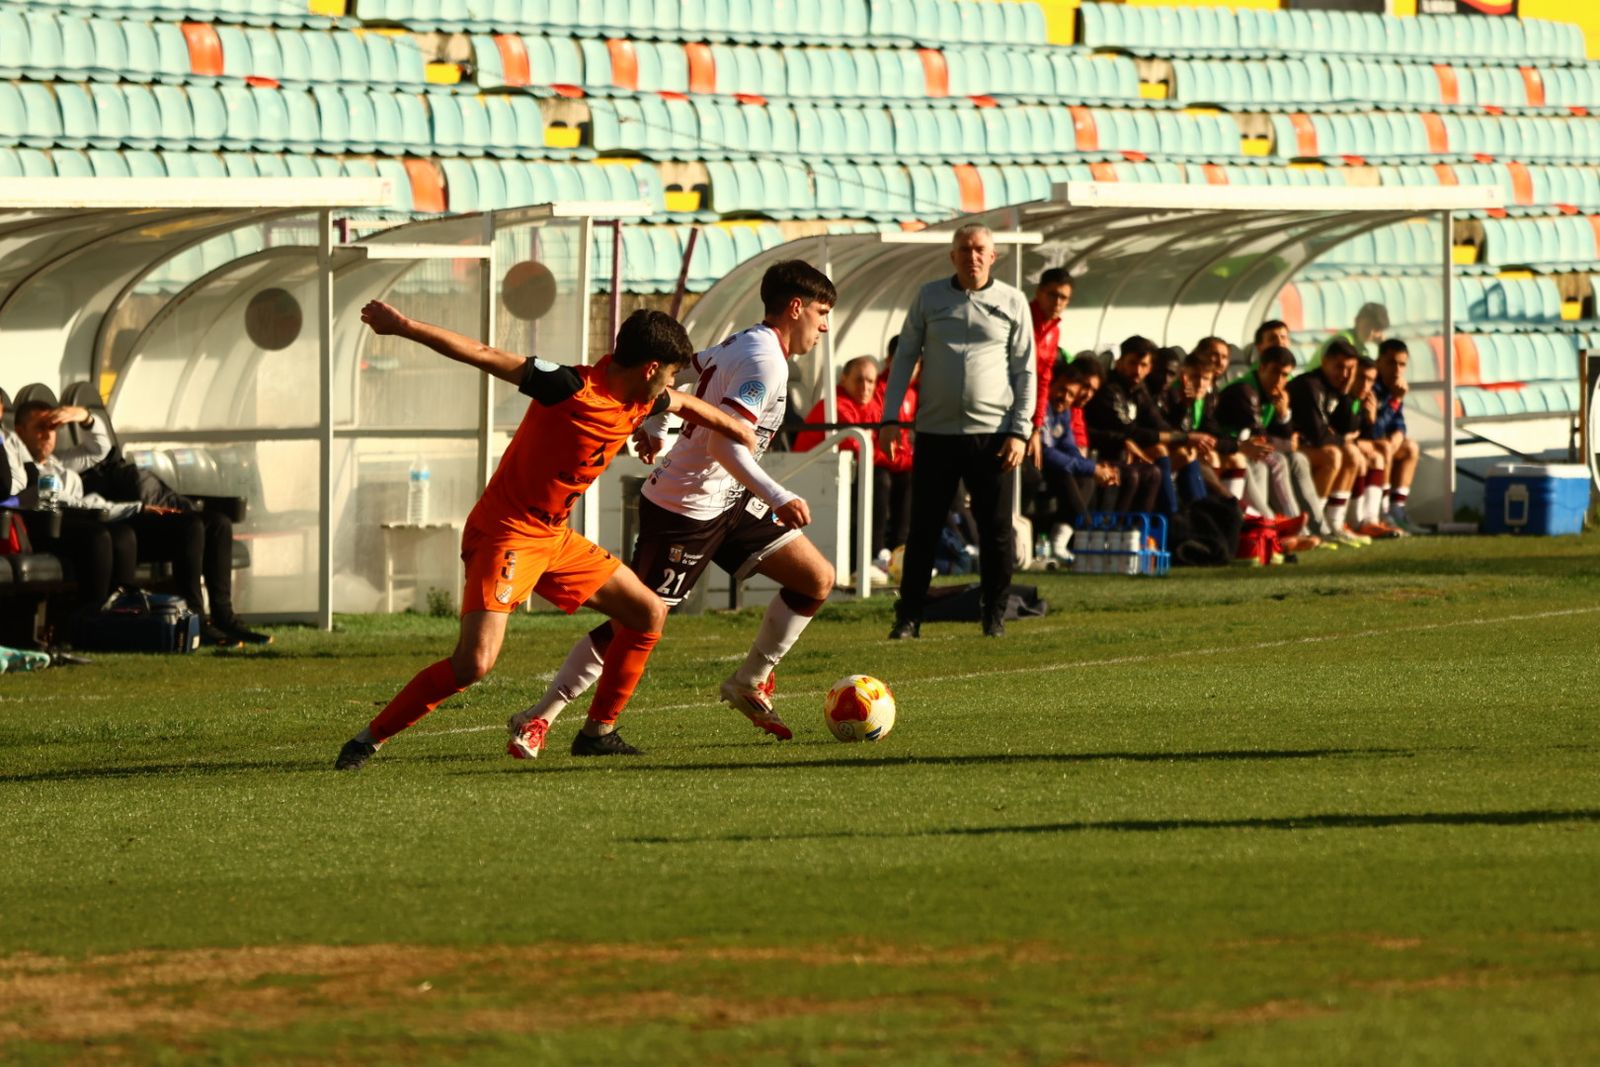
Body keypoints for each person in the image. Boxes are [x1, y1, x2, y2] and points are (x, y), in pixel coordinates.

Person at [334, 302, 756, 770]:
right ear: (650, 367)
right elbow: (481, 353)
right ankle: (366, 739)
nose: (672, 386)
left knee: (647, 612)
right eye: (671, 374)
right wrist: (404, 327)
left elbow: (682, 403)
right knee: (474, 663)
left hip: (553, 537)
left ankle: (598, 733)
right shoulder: (569, 386)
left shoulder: (643, 397)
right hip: (507, 532)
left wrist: (735, 426)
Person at [504, 260, 840, 754]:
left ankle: (750, 680)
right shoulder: (765, 362)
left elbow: (672, 379)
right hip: (686, 507)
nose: (825, 326)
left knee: (815, 579)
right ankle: (539, 717)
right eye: (822, 312)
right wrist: (780, 495)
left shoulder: (742, 342)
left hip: (727, 499)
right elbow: (724, 446)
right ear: (795, 307)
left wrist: (655, 427)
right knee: (633, 619)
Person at [878, 224, 1036, 640]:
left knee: (995, 531)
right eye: (965, 249)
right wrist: (890, 418)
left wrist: (1020, 430)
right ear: (953, 256)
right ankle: (908, 617)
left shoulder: (1013, 301)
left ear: (993, 255)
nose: (973, 256)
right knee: (924, 528)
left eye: (980, 249)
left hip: (994, 434)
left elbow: (1026, 370)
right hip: (935, 432)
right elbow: (904, 358)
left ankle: (995, 615)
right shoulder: (929, 296)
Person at [12, 400, 142, 614]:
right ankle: (92, 619)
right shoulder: (17, 467)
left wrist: (85, 416)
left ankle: (123, 615)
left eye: (52, 428)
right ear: (19, 431)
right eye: (40, 427)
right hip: (41, 528)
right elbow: (58, 499)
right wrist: (125, 508)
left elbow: (100, 450)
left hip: (74, 521)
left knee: (123, 535)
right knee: (98, 536)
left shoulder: (58, 462)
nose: (48, 434)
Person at [1084, 335, 1216, 515]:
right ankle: (1171, 516)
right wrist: (1184, 437)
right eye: (1132, 363)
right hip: (1108, 449)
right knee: (1161, 453)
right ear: (1120, 362)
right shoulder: (1110, 388)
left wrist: (1186, 433)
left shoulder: (1139, 389)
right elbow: (1129, 432)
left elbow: (1158, 424)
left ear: (1149, 368)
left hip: (1128, 448)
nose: (1137, 371)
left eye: (1143, 365)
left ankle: (1199, 514)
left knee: (1187, 451)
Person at [794, 355, 890, 582]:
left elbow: (890, 446)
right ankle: (870, 556)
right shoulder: (834, 407)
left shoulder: (871, 406)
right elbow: (859, 448)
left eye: (870, 382)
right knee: (881, 479)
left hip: (843, 473)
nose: (865, 387)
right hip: (813, 476)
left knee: (903, 478)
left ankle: (889, 550)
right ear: (844, 379)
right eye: (859, 380)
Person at [1288, 337, 1368, 547]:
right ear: (1324, 362)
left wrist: (1349, 394)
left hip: (1309, 447)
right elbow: (1317, 435)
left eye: (1351, 369)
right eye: (1339, 367)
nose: (1345, 374)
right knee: (1334, 454)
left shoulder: (1338, 388)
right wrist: (1341, 438)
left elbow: (1347, 428)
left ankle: (1335, 523)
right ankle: (1315, 524)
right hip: (1289, 448)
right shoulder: (1309, 386)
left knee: (1351, 453)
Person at [1036, 361, 1120, 555]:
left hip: (1052, 463)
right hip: (1035, 462)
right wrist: (1092, 468)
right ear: (1052, 384)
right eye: (1062, 390)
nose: (1065, 398)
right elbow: (1046, 451)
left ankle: (1061, 542)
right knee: (1066, 473)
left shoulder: (1064, 412)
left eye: (1071, 395)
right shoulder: (1042, 407)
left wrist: (1094, 469)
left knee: (1087, 479)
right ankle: (1088, 533)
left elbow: (1069, 447)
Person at [1026, 269, 1073, 470]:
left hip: (1028, 414)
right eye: (1052, 294)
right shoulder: (1023, 321)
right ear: (1039, 292)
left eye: (1063, 297)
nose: (1057, 302)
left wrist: (1036, 426)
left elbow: (1043, 380)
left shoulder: (1053, 331)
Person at [1373, 338, 1421, 531]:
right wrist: (1396, 400)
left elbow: (1398, 422)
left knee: (1410, 447)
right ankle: (1382, 512)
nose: (1397, 369)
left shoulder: (1394, 387)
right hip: (1367, 443)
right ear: (1379, 362)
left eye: (1402, 364)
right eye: (1391, 362)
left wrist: (1398, 435)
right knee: (1385, 446)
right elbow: (1374, 428)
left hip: (1384, 445)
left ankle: (1397, 508)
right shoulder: (1370, 384)